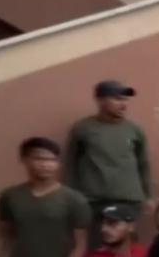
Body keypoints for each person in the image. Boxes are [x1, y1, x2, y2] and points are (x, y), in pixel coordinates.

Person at [64, 80, 153, 247]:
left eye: (125, 99)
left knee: (127, 248)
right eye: (117, 99)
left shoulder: (134, 130)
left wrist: (148, 196)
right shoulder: (83, 128)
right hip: (94, 201)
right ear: (100, 100)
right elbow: (70, 165)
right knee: (98, 248)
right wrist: (72, 198)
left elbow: (143, 164)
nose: (123, 104)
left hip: (128, 200)